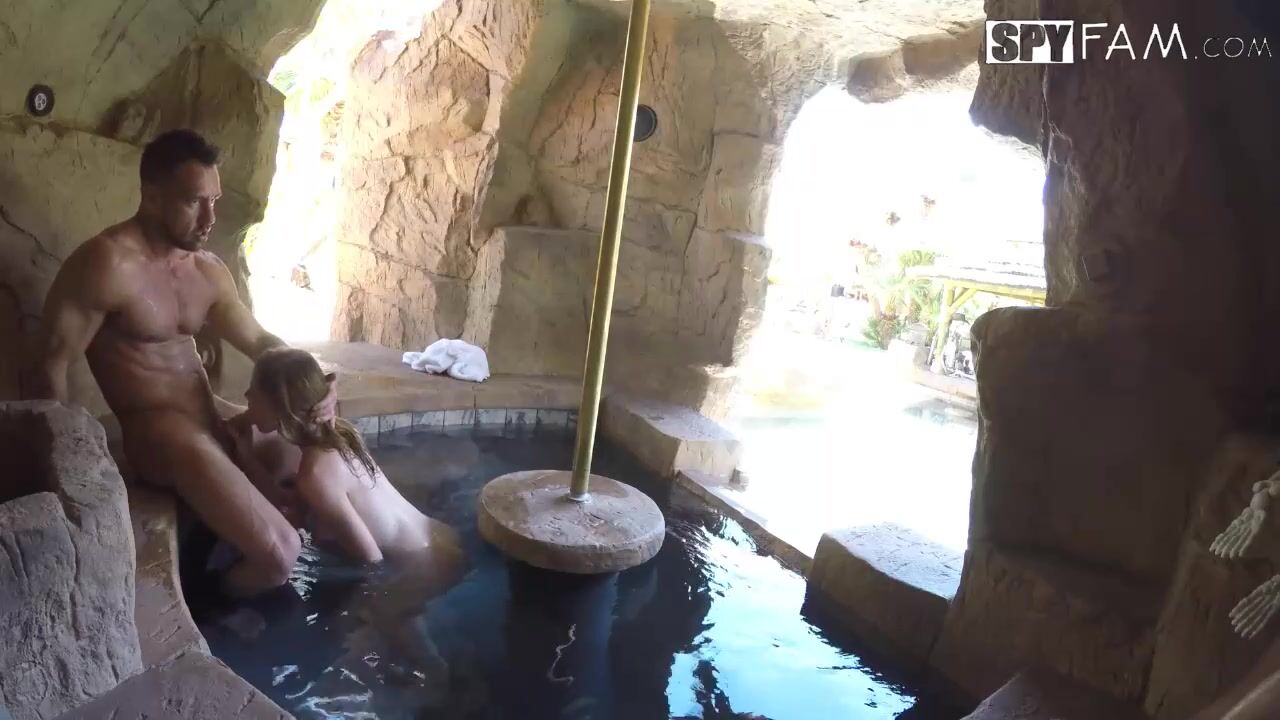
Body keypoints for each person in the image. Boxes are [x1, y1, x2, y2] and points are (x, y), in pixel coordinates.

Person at [33, 128, 300, 597]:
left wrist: (310, 381)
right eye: (194, 202)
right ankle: (210, 605)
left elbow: (259, 340)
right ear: (152, 197)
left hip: (209, 419)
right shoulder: (107, 264)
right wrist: (64, 466)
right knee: (281, 556)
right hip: (161, 437)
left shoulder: (206, 269)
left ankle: (219, 545)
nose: (210, 217)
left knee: (299, 457)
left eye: (214, 201)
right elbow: (52, 363)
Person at [236, 346, 461, 565]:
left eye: (254, 390)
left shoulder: (315, 475)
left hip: (425, 563)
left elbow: (371, 559)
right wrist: (247, 457)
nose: (246, 394)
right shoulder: (340, 435)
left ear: (280, 409)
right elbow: (292, 505)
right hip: (438, 534)